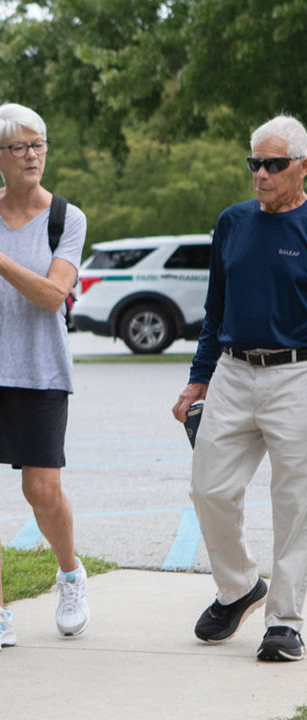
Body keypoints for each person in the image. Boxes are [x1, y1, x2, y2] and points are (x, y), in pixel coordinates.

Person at [0, 103, 89, 654]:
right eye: (21, 147)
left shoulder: (65, 219)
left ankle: (70, 574)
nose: (33, 156)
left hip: (39, 371)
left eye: (39, 144)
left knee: (41, 490)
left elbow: (55, 295)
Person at [172, 114, 307, 662]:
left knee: (294, 502)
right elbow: (214, 310)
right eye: (255, 163)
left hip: (297, 375)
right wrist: (196, 381)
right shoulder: (232, 222)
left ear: (303, 167)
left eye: (275, 164)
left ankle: (285, 620)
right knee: (208, 488)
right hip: (231, 371)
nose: (262, 174)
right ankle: (239, 589)